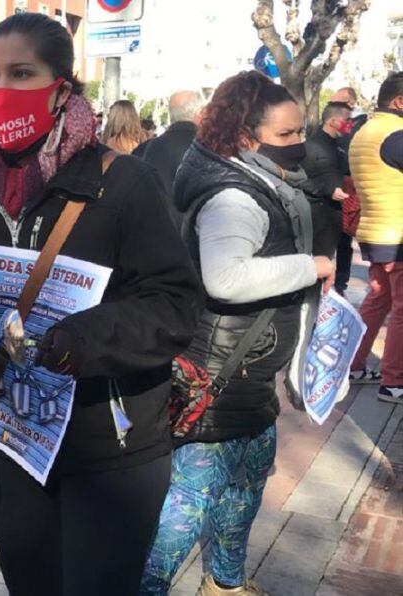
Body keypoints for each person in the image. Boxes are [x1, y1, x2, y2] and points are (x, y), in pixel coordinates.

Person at [0, 14, 202, 594]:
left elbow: (175, 306)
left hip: (111, 451)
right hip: (18, 445)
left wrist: (80, 339)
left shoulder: (124, 183)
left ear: (61, 90)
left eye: (22, 73)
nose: (2, 91)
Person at [141, 71, 334, 596]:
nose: (300, 145)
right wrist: (309, 265)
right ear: (247, 138)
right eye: (287, 135)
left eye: (301, 132)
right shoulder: (233, 196)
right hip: (221, 375)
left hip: (246, 372)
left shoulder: (254, 177)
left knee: (245, 486)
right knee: (190, 501)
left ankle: (225, 583)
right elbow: (224, 277)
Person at [347, 72, 403, 402]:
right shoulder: (394, 134)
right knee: (400, 309)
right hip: (396, 232)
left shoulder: (367, 130)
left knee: (378, 300)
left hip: (375, 230)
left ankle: (354, 365)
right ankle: (394, 382)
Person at [137, 90, 205, 227]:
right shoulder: (207, 148)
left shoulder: (150, 148)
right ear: (199, 113)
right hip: (198, 232)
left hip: (159, 231)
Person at [301, 101, 353, 260]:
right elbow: (298, 179)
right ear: (333, 122)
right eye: (347, 120)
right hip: (314, 215)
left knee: (328, 260)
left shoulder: (343, 145)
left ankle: (338, 284)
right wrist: (327, 190)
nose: (350, 125)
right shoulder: (310, 146)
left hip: (337, 215)